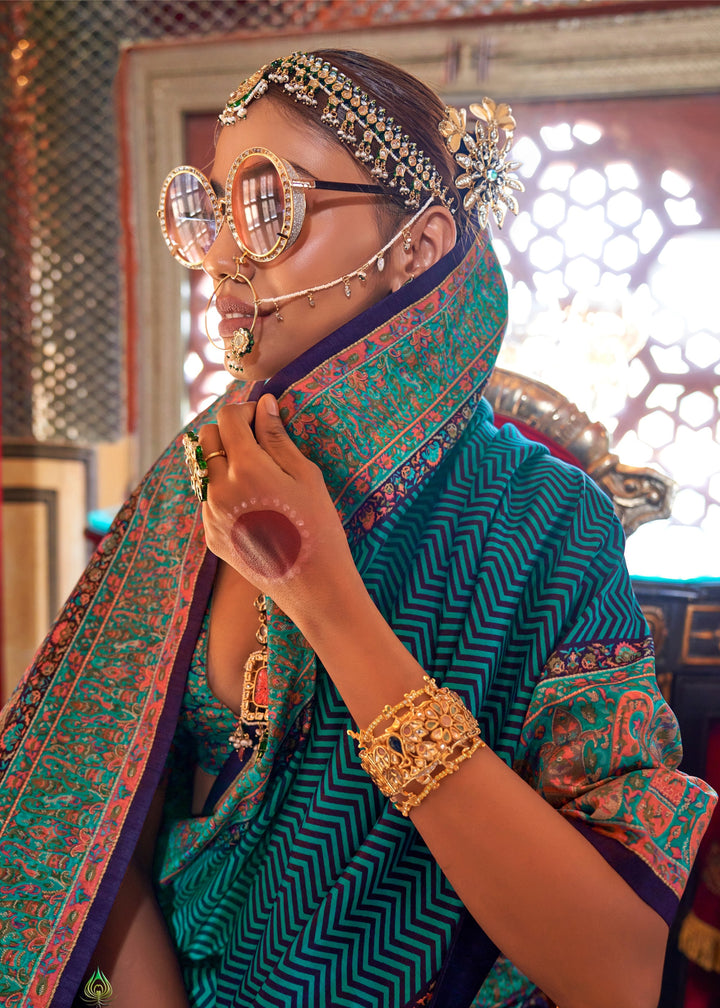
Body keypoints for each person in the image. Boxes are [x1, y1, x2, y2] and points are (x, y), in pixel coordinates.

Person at [0, 49, 714, 1008]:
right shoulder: (194, 480)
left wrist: (327, 603)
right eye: (209, 211)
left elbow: (614, 972)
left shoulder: (546, 520)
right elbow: (94, 821)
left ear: (415, 248)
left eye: (267, 206)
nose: (222, 258)